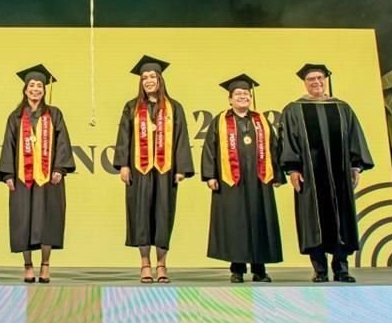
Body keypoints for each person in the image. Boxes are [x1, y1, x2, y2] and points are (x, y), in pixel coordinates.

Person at [280, 63, 374, 282]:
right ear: (305, 82)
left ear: (326, 80)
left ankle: (342, 268)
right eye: (311, 79)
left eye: (320, 78)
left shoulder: (342, 108)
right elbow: (288, 141)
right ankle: (320, 269)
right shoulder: (294, 109)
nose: (316, 83)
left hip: (340, 176)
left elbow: (354, 137)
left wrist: (355, 165)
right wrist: (292, 168)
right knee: (313, 219)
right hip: (310, 177)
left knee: (343, 218)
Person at [113, 55, 193, 284]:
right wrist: (124, 165)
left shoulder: (174, 107)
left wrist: (181, 168)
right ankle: (145, 263)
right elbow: (123, 137)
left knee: (163, 215)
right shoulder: (131, 107)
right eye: (144, 77)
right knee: (141, 215)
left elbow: (181, 138)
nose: (148, 80)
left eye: (152, 76)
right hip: (140, 171)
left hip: (166, 171)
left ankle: (162, 264)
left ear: (160, 79)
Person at [201, 74, 284, 282]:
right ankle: (236, 269)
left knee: (259, 221)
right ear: (230, 99)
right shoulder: (220, 121)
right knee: (234, 222)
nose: (242, 97)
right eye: (238, 94)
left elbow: (274, 147)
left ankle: (259, 269)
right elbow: (209, 149)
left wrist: (277, 173)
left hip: (259, 180)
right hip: (231, 181)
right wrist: (210, 175)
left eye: (246, 94)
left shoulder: (260, 120)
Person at [0, 64, 74, 284]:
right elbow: (8, 147)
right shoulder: (16, 117)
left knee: (47, 220)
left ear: (44, 89)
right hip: (22, 178)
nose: (36, 89)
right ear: (25, 89)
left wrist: (59, 169)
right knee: (24, 221)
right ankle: (28, 265)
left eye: (39, 85)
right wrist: (8, 175)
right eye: (32, 85)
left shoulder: (54, 114)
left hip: (49, 178)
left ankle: (45, 264)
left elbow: (63, 143)